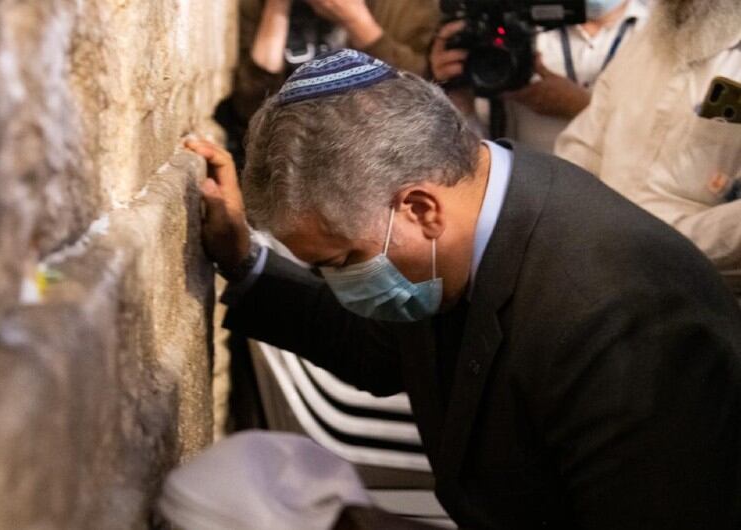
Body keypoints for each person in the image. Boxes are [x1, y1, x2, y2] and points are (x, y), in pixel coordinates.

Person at [187, 49, 741, 528]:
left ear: (420, 207)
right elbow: (376, 349)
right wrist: (243, 260)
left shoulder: (621, 321)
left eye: (341, 261)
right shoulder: (465, 226)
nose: (341, 282)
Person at [555, 0, 741, 297]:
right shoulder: (648, 38)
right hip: (599, 274)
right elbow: (582, 146)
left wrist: (651, 243)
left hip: (704, 298)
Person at [429, 0, 648, 152]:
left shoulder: (660, 36)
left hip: (622, 199)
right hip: (532, 199)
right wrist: (457, 99)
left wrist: (582, 108)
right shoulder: (514, 27)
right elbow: (479, 155)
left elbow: (665, 147)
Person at [233, 0, 439, 122]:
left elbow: (417, 96)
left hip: (375, 149)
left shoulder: (408, 7)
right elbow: (251, 107)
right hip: (294, 147)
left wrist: (356, 22)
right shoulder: (257, 6)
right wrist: (277, 9)